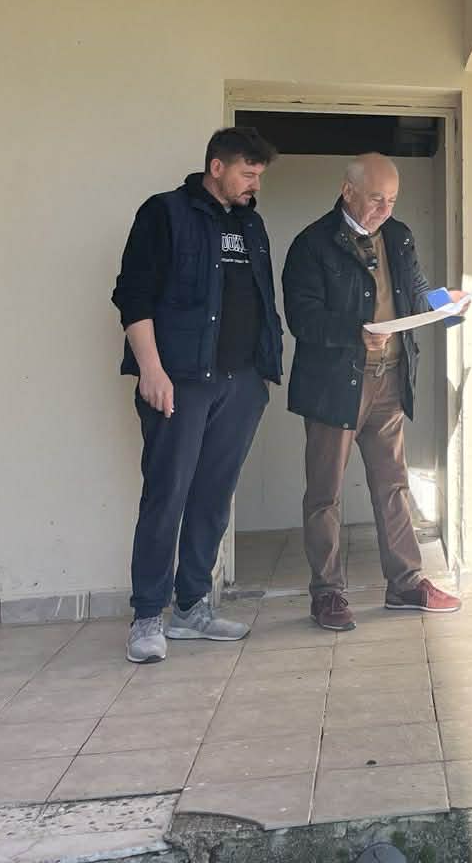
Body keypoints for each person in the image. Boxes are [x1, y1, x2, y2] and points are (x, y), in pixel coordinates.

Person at [111, 128, 283, 663]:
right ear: (216, 167)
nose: (255, 185)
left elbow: (260, 299)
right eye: (248, 174)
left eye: (259, 176)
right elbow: (132, 296)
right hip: (180, 381)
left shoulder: (251, 224)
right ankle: (147, 617)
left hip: (242, 383)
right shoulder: (164, 213)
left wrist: (262, 376)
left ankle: (191, 608)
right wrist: (151, 370)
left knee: (212, 497)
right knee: (167, 494)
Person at [283, 152, 465, 629]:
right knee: (325, 494)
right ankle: (327, 593)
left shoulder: (399, 236)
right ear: (348, 191)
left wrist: (447, 303)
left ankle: (405, 584)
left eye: (392, 201)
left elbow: (417, 292)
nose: (385, 209)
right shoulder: (312, 244)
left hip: (390, 378)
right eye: (376, 199)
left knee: (393, 486)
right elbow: (302, 318)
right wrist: (355, 332)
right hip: (334, 386)